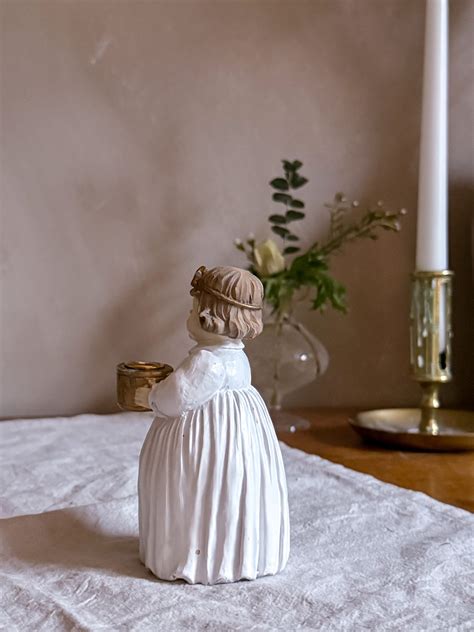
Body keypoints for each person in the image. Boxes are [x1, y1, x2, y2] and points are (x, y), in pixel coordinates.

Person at [138, 265, 290, 584]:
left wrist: (150, 395)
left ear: (211, 318)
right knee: (233, 492)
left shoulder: (207, 363)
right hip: (238, 435)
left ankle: (197, 558)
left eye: (193, 309)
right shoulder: (238, 358)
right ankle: (238, 553)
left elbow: (175, 397)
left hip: (209, 441)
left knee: (200, 491)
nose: (189, 315)